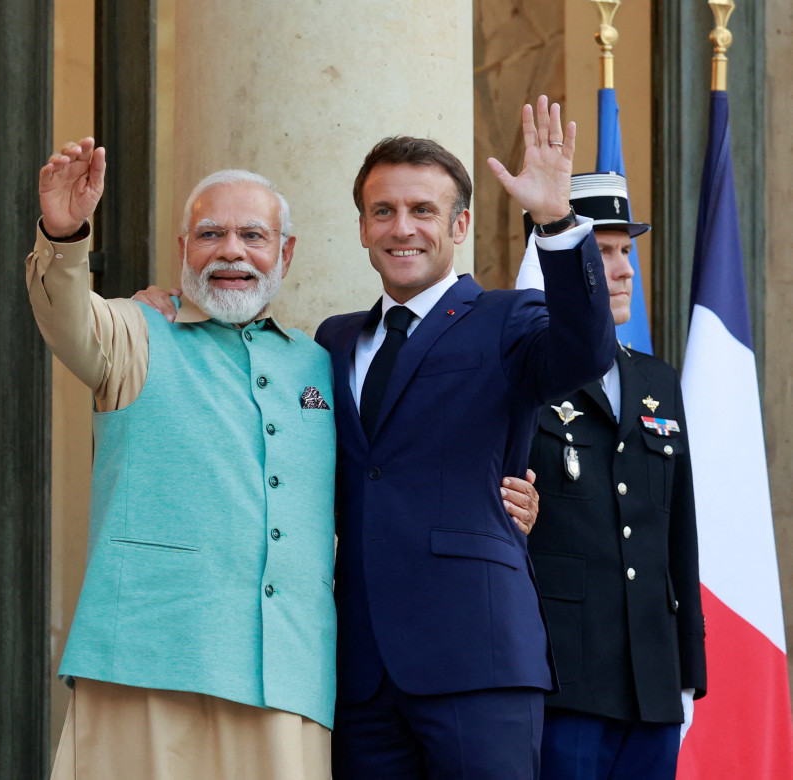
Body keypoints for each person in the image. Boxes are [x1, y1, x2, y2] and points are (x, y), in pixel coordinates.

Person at [34, 139, 541, 779]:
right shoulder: (135, 332)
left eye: (253, 234)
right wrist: (63, 233)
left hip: (287, 675)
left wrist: (497, 501)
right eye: (210, 234)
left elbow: (385, 467)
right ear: (183, 247)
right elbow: (66, 317)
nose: (231, 251)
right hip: (149, 661)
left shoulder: (318, 357)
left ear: (286, 252)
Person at [313, 96, 617, 778]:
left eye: (423, 211)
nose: (403, 228)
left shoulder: (509, 319)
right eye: (383, 211)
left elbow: (586, 350)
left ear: (462, 224)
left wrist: (556, 223)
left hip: (477, 656)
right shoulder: (332, 340)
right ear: (362, 227)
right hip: (361, 672)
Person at [516, 172, 706, 779]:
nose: (624, 270)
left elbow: (679, 533)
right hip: (559, 682)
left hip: (652, 686)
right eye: (601, 252)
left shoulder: (658, 380)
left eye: (627, 251)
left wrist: (688, 672)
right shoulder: (521, 372)